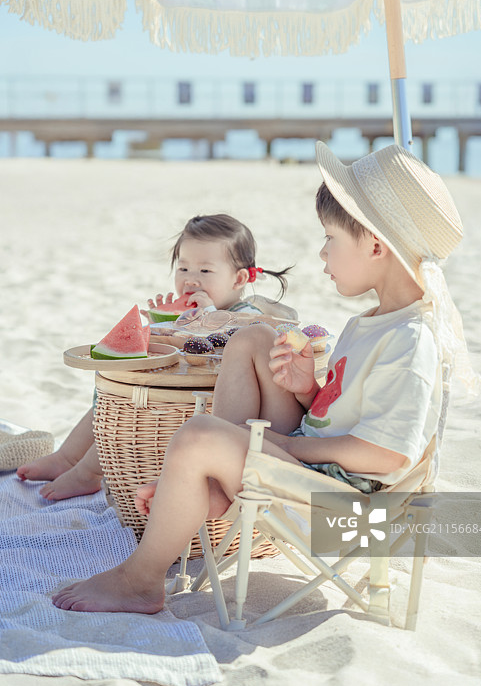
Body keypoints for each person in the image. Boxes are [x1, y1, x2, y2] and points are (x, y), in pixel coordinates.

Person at [51, 142, 479, 614]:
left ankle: (141, 579)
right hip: (322, 465)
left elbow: (385, 452)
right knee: (254, 337)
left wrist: (284, 447)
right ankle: (216, 478)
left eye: (330, 239)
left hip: (346, 505)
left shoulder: (409, 339)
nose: (321, 253)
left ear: (376, 245)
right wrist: (308, 390)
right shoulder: (372, 322)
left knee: (197, 435)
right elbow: (343, 415)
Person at [17, 213, 292, 501]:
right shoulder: (195, 306)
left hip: (203, 407)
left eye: (205, 272)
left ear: (239, 278)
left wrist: (207, 317)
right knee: (110, 398)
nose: (190, 280)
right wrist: (164, 323)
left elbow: (225, 345)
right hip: (172, 392)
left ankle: (87, 473)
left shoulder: (247, 316)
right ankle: (66, 457)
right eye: (183, 268)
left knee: (128, 411)